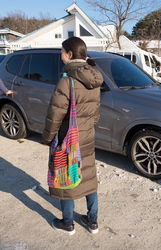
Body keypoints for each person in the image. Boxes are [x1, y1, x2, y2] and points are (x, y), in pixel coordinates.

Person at [42, 36, 103, 235]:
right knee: (88, 175)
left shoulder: (67, 80)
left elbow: (55, 114)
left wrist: (47, 137)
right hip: (87, 135)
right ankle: (92, 221)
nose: (60, 57)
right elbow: (95, 112)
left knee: (65, 176)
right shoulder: (95, 78)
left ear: (70, 54)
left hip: (67, 138)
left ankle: (68, 223)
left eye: (62, 52)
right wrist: (87, 129)